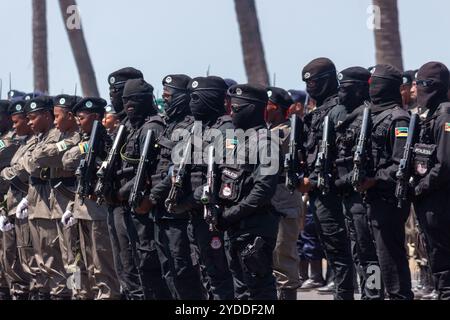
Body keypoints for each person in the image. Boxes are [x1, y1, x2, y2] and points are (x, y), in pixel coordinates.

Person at [165, 76, 235, 300]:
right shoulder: (198, 129)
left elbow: (225, 176)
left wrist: (191, 199)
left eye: (197, 97)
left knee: (220, 277)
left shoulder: (227, 129)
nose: (191, 102)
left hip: (214, 214)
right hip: (195, 214)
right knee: (205, 273)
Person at [298, 57, 354, 300]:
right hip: (317, 190)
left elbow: (341, 155)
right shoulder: (316, 111)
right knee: (331, 250)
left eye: (316, 82)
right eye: (307, 84)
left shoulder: (339, 109)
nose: (310, 88)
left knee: (341, 253)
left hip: (333, 190)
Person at [217, 83, 279, 300]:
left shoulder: (266, 141)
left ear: (252, 108)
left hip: (254, 226)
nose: (232, 113)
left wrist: (230, 215)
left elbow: (263, 190)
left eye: (237, 108)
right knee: (241, 291)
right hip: (234, 227)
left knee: (258, 289)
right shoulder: (236, 139)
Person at [113, 79, 173, 300]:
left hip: (145, 205)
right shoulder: (130, 127)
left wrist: (122, 192)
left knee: (150, 263)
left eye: (135, 100)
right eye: (126, 101)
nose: (130, 105)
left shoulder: (152, 127)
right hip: (130, 204)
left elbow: (149, 170)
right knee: (133, 262)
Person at [357, 64, 413, 300]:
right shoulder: (369, 115)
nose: (372, 89)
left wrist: (374, 180)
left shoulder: (399, 119)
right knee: (370, 258)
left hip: (387, 199)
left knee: (390, 259)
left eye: (374, 84)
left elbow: (400, 162)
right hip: (368, 199)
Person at [150, 74, 204, 300]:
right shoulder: (168, 124)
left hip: (179, 213)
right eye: (163, 96)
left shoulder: (192, 127)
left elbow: (177, 170)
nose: (165, 101)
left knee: (185, 274)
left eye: (169, 96)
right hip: (162, 212)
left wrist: (153, 195)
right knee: (168, 273)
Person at [332, 66, 384, 300]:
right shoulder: (341, 115)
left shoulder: (369, 115)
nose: (341, 93)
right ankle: (366, 292)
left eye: (346, 88)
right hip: (347, 195)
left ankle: (373, 294)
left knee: (369, 252)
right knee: (358, 251)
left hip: (362, 196)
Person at [20, 96, 72, 300]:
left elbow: (32, 164)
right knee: (41, 259)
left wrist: (31, 161)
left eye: (33, 117)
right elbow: (29, 163)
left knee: (58, 259)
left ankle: (62, 294)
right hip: (36, 202)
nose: (30, 122)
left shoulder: (57, 136)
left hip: (52, 203)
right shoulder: (39, 138)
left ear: (46, 115)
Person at [106, 67, 145, 299]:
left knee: (135, 264)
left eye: (118, 91)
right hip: (115, 204)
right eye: (111, 92)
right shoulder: (120, 127)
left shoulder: (144, 126)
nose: (114, 97)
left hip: (133, 204)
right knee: (122, 265)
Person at [412, 61, 450, 300]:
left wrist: (420, 187)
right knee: (434, 253)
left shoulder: (445, 115)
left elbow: (445, 164)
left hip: (440, 199)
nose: (417, 90)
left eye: (421, 84)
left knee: (442, 256)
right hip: (430, 199)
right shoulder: (430, 115)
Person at [265, 86, 303, 300]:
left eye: (267, 105)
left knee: (283, 257)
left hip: (284, 202)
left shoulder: (286, 132)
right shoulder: (268, 131)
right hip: (271, 202)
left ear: (277, 108)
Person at [0, 100, 36, 300]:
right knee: (9, 257)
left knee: (26, 257)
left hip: (26, 204)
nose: (15, 125)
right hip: (10, 205)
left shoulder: (11, 142)